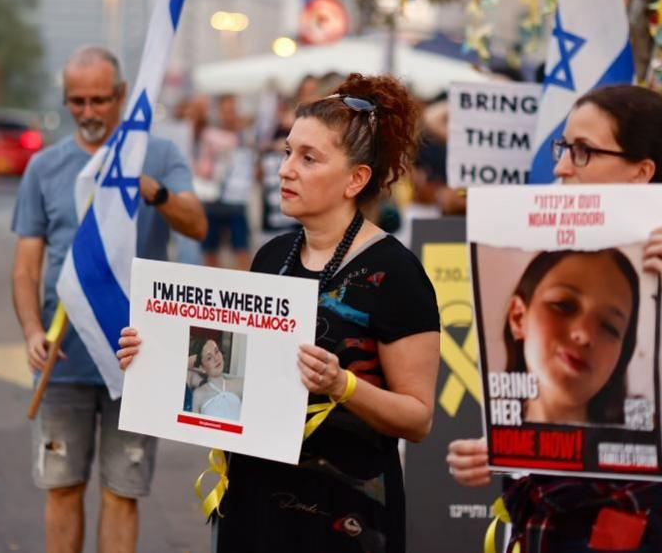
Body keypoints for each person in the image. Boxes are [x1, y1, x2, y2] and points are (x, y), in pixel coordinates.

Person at [118, 73, 441, 552]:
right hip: (254, 501)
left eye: (309, 158)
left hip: (344, 515)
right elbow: (235, 374)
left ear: (357, 179)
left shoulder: (396, 273)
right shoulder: (273, 255)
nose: (285, 169)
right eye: (288, 151)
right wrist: (156, 357)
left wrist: (343, 385)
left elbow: (417, 419)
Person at [447, 84, 662, 552]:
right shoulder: (555, 252)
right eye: (564, 146)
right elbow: (561, 416)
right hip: (545, 512)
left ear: (641, 172)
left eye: (584, 151)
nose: (562, 165)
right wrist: (505, 449)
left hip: (636, 520)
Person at [11, 46, 206, 553]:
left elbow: (196, 223)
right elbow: (26, 266)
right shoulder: (45, 167)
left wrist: (152, 191)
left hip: (137, 360)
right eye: (77, 101)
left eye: (100, 99)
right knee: (62, 487)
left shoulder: (159, 156)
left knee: (123, 492)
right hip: (62, 359)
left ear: (122, 95)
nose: (90, 111)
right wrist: (33, 331)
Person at [500, 249, 640, 425]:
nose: (585, 334)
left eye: (609, 327)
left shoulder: (647, 428)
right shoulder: (478, 431)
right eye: (563, 306)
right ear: (518, 317)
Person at [196, 94, 254, 269]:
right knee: (210, 251)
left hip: (236, 201)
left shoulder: (244, 135)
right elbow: (202, 166)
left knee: (241, 249)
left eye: (232, 110)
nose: (229, 114)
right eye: (226, 110)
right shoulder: (210, 135)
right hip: (212, 199)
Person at [188, 337, 243, 421]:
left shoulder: (240, 384)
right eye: (209, 358)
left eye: (217, 351)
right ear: (202, 367)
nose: (216, 358)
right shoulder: (198, 395)